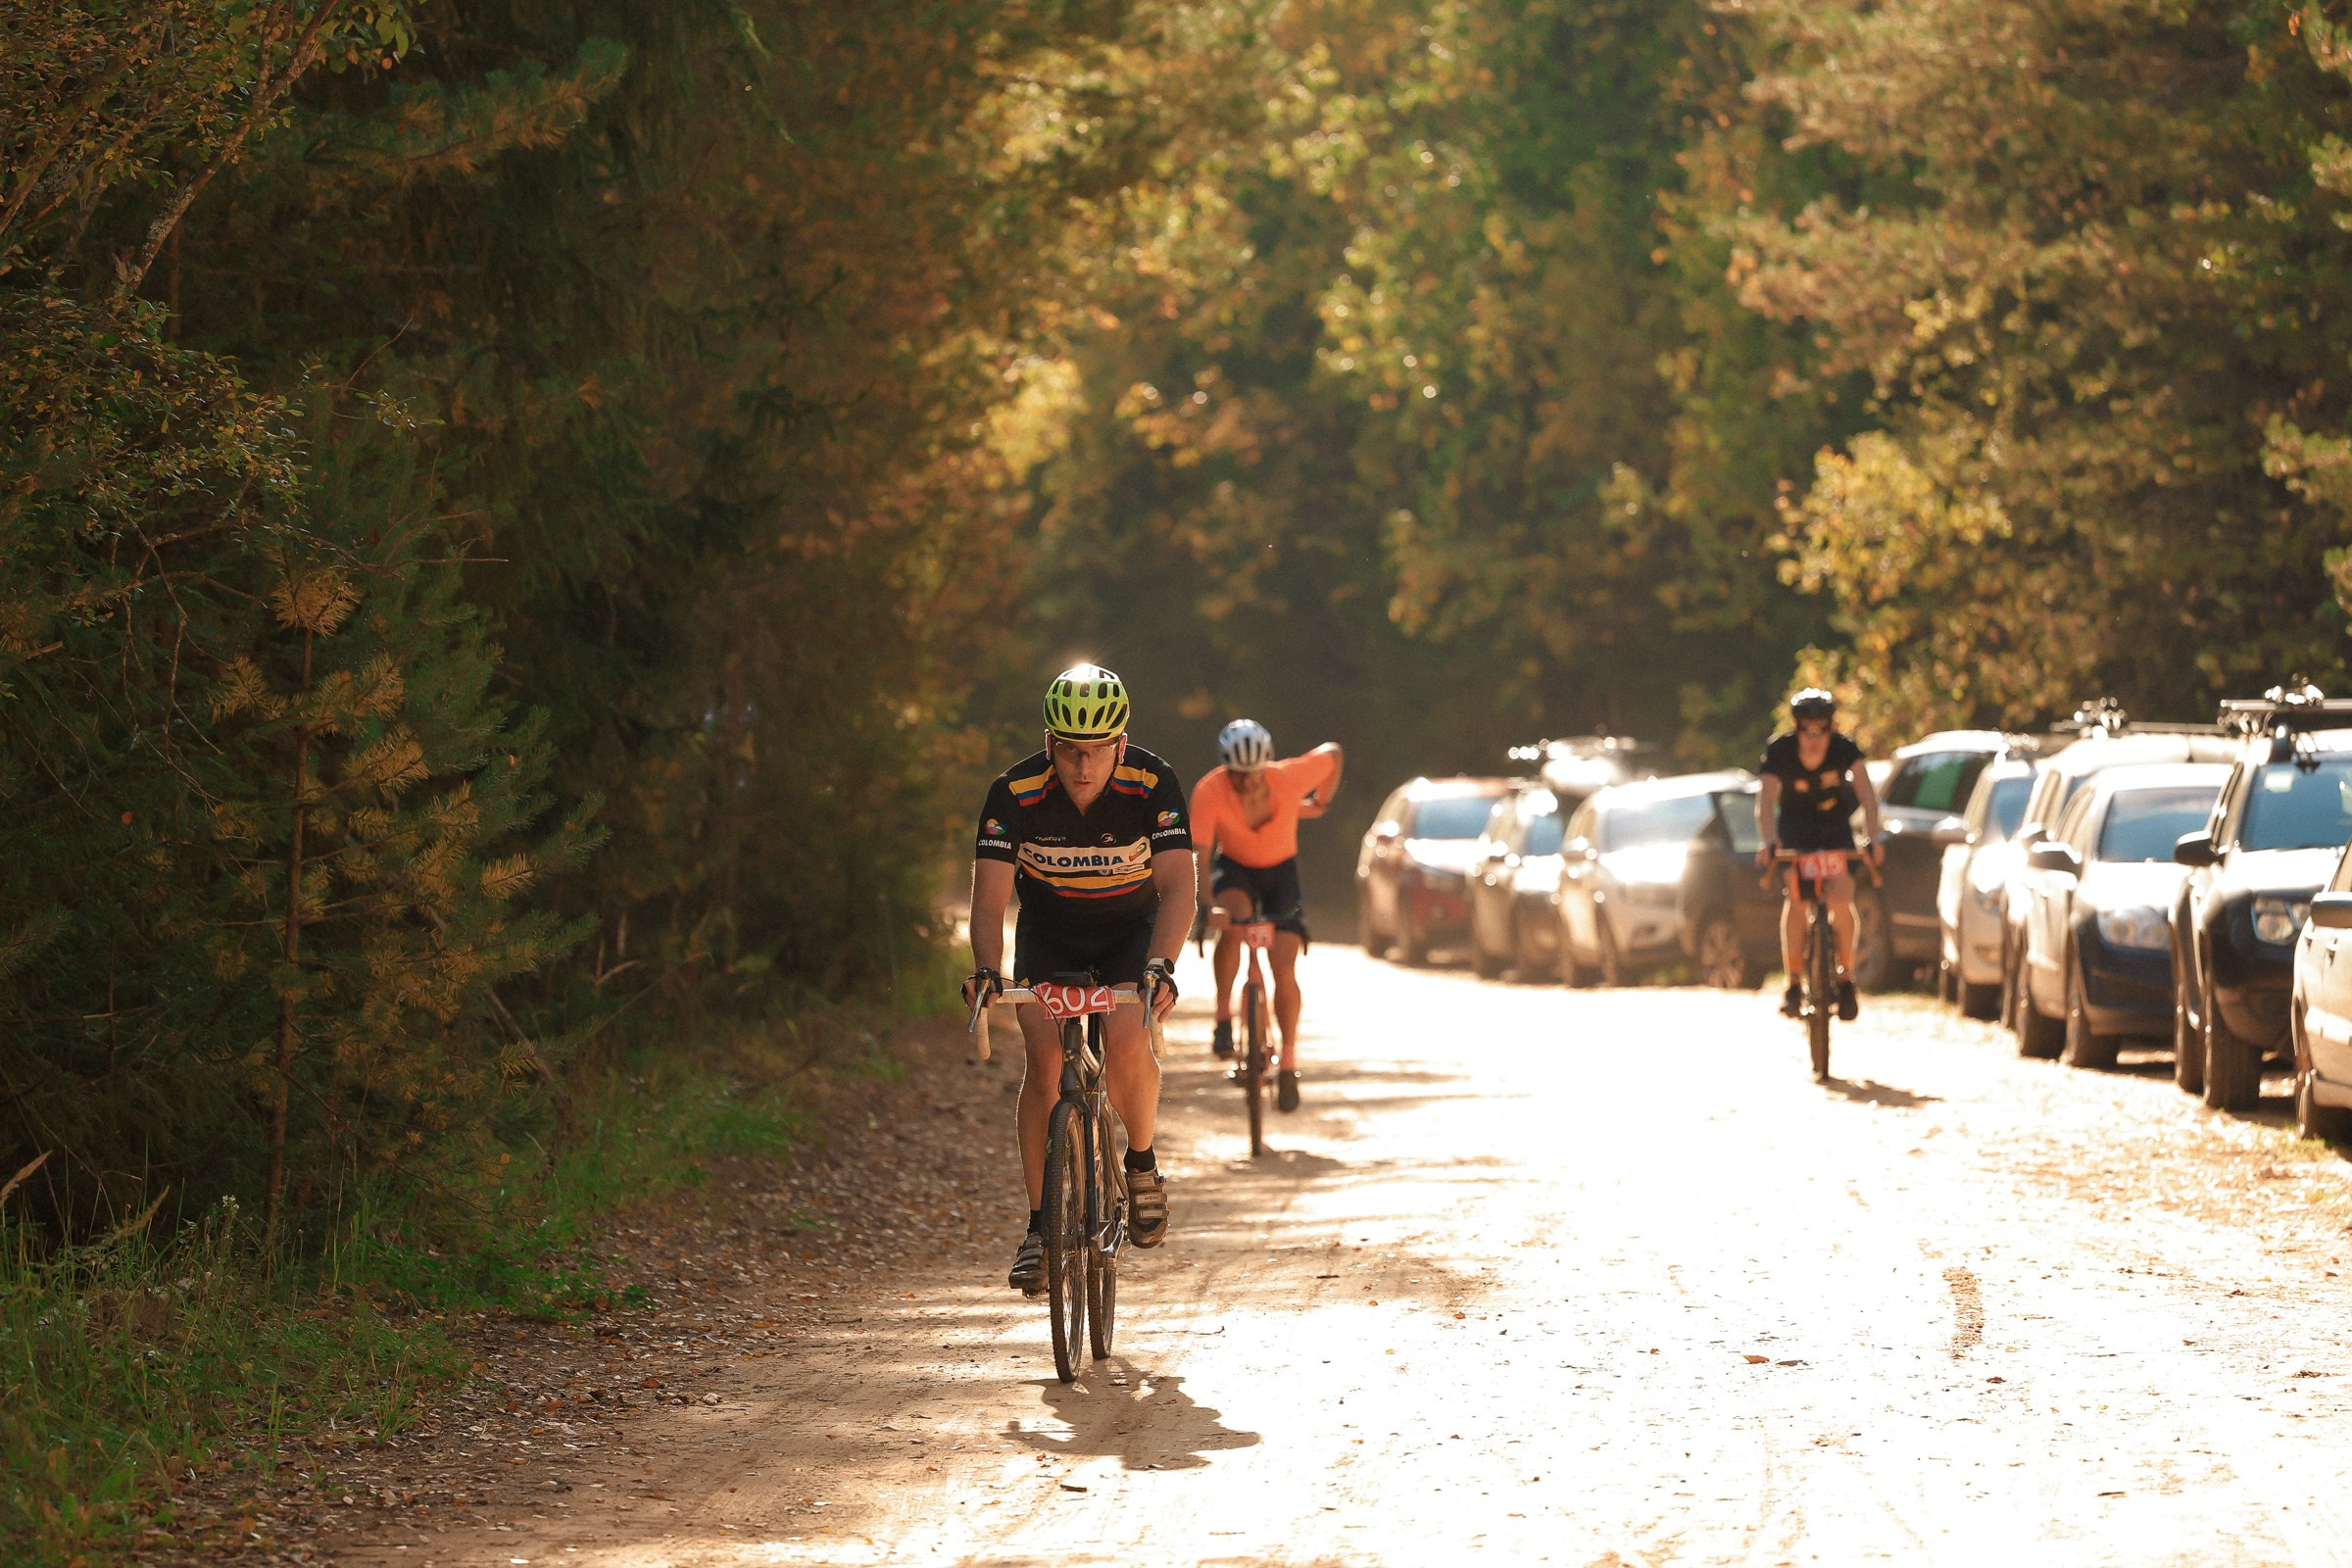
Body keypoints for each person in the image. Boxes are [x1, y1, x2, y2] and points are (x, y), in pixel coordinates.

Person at [963, 664, 1193, 1297]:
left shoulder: (1154, 783)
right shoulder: (1013, 793)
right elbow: (988, 904)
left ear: (1120, 745)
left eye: (1096, 751)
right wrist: (987, 970)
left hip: (1130, 934)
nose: (1083, 766)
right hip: (1050, 930)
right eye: (1069, 750)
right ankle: (1041, 1226)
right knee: (1042, 1063)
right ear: (1049, 745)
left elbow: (1177, 886)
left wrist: (1161, 964)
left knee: (1124, 1039)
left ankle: (1141, 1165)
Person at [1189, 718, 1344, 1112]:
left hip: (1281, 873)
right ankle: (1224, 1017)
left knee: (1285, 966)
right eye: (1238, 775)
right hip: (1235, 869)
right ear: (1228, 770)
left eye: (1254, 773)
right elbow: (1201, 855)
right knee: (1234, 923)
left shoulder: (1288, 778)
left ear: (1267, 764)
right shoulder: (1210, 790)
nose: (1247, 782)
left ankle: (1289, 1064)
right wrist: (1207, 904)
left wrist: (1321, 802)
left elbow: (1333, 753)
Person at [1754, 688, 1884, 1020]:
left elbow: (1867, 795)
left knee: (1842, 899)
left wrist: (1874, 838)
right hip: (1795, 831)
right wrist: (1769, 842)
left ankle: (1846, 978)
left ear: (1832, 727)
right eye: (1805, 730)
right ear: (1796, 728)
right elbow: (1766, 802)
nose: (1813, 739)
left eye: (1821, 730)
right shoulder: (1779, 751)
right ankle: (1794, 983)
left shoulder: (1845, 749)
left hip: (1835, 829)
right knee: (1796, 900)